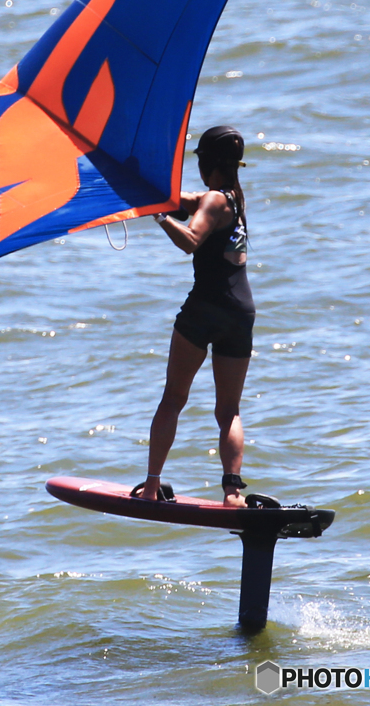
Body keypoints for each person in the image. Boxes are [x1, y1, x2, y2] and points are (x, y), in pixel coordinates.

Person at [135, 125, 255, 507]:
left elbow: (190, 240)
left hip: (205, 307)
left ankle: (152, 487)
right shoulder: (234, 198)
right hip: (241, 312)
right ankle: (233, 491)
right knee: (229, 410)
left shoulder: (214, 202)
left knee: (173, 398)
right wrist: (149, 195)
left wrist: (158, 219)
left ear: (206, 163)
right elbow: (190, 201)